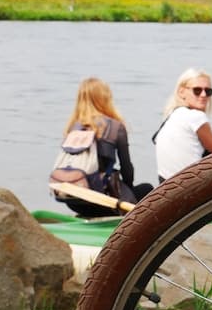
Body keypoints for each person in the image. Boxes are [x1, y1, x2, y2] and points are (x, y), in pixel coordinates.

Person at [57, 77, 153, 218]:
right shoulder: (115, 127)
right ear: (104, 99)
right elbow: (127, 169)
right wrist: (128, 190)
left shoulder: (72, 128)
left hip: (73, 200)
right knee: (147, 189)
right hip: (101, 200)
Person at [154, 67, 212, 183]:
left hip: (167, 184)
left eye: (208, 91)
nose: (203, 95)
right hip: (191, 184)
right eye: (197, 90)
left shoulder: (173, 114)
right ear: (181, 92)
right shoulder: (196, 117)